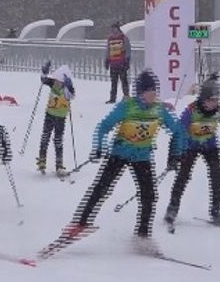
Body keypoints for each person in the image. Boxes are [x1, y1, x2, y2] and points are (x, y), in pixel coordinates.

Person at [48, 69, 186, 256]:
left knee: (150, 196)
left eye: (155, 92)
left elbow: (177, 131)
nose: (152, 96)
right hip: (119, 153)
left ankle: (142, 235)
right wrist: (99, 147)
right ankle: (80, 224)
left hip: (142, 157)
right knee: (101, 189)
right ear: (140, 92)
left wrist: (174, 155)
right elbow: (103, 127)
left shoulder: (160, 110)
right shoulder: (127, 106)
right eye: (148, 92)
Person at [164, 74, 220, 228]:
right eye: (211, 100)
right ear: (203, 99)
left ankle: (216, 211)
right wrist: (173, 156)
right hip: (190, 146)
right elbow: (178, 132)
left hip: (210, 145)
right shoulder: (191, 110)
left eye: (217, 100)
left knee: (217, 175)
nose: (215, 103)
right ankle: (172, 209)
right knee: (183, 176)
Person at [37, 63, 75, 176]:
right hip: (49, 115)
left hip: (61, 118)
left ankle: (59, 165)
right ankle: (42, 161)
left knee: (58, 141)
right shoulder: (52, 83)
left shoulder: (67, 89)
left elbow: (71, 96)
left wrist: (69, 86)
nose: (58, 83)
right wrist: (44, 71)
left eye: (60, 81)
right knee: (45, 137)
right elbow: (43, 80)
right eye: (56, 80)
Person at [105, 22, 131, 104]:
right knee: (113, 82)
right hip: (113, 63)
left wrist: (127, 60)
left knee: (124, 81)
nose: (113, 30)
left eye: (114, 28)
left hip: (122, 63)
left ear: (118, 29)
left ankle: (126, 96)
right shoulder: (110, 38)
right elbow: (108, 50)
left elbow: (128, 49)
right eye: (112, 28)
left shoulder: (123, 38)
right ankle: (112, 98)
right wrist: (107, 60)